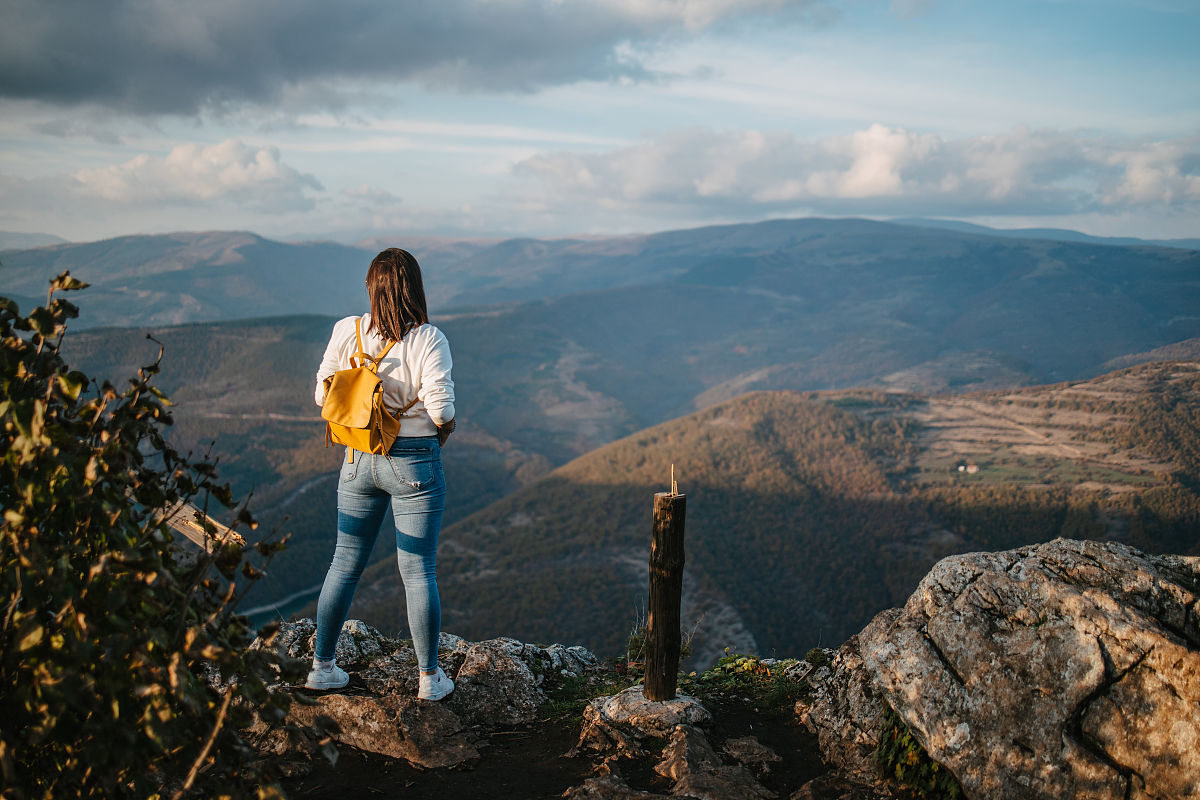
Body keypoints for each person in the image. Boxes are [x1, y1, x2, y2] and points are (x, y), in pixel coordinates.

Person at [307, 248, 456, 700]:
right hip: (412, 460)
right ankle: (429, 679)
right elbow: (441, 408)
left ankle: (322, 666)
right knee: (418, 571)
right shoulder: (428, 339)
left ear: (372, 289)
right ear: (415, 288)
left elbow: (321, 396)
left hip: (357, 458)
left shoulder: (346, 331)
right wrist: (442, 427)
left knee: (344, 563)